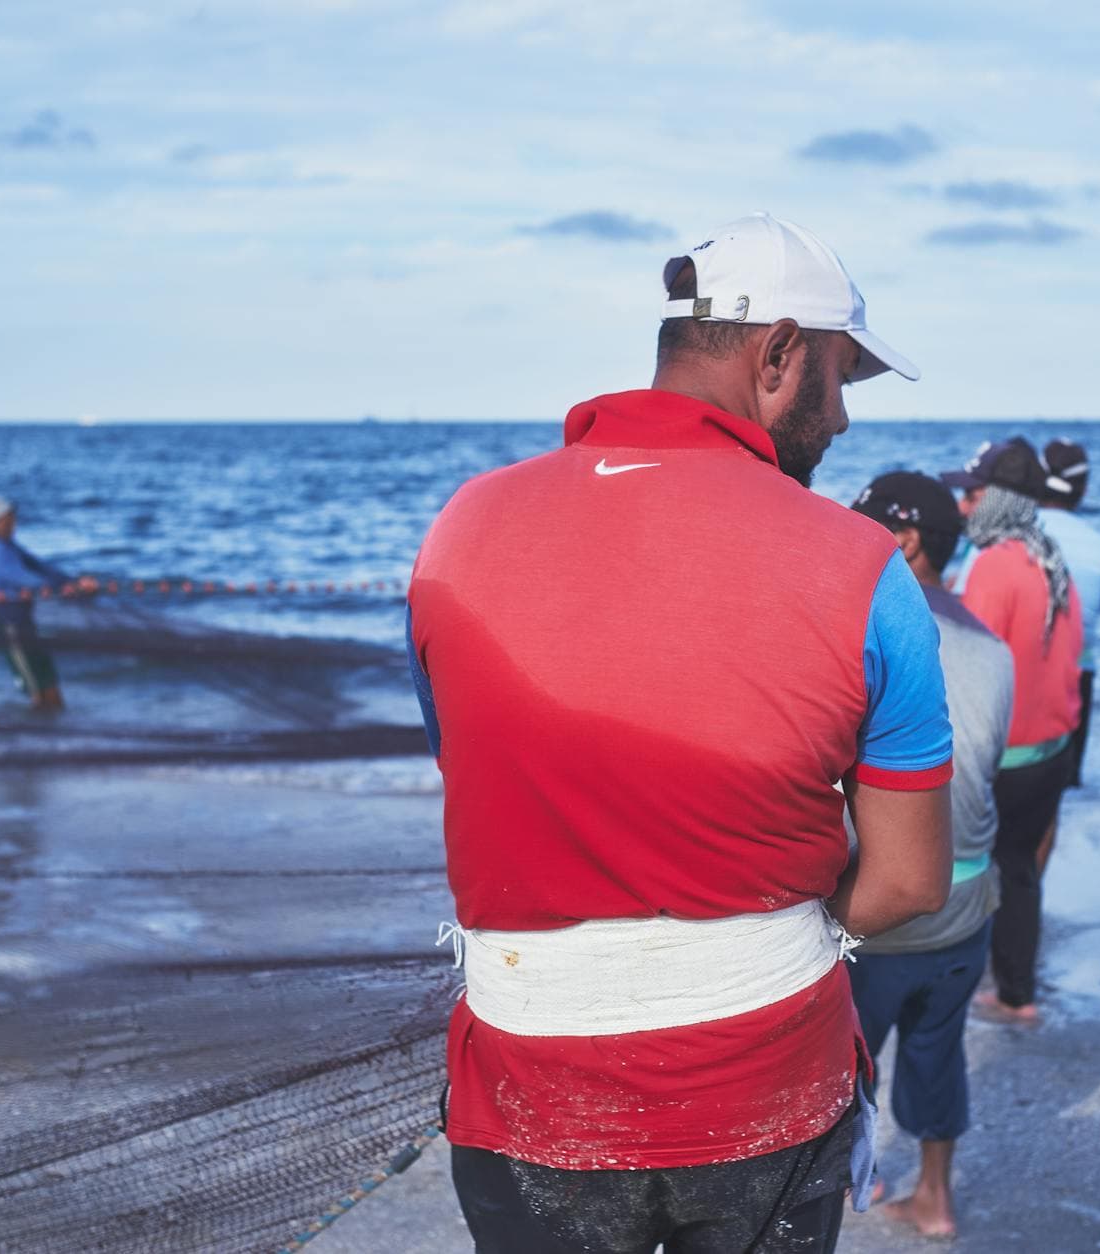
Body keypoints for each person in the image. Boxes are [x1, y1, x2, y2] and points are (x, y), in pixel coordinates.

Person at [406, 212, 954, 1254]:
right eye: (840, 377)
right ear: (779, 354)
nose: (841, 418)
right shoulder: (862, 570)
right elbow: (908, 884)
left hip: (528, 1082)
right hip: (760, 1083)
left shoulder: (460, 528)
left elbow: (484, 772)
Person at [846, 471, 1013, 1241]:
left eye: (864, 527)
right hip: (970, 904)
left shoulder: (868, 626)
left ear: (903, 541)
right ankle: (937, 1198)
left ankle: (856, 1178)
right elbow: (984, 771)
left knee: (847, 1064)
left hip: (882, 909)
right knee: (938, 1054)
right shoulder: (995, 646)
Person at [941, 438, 1083, 1023]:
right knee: (1021, 869)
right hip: (1052, 748)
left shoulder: (992, 564)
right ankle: (1017, 994)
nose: (964, 507)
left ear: (998, 498)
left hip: (1004, 755)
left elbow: (968, 666)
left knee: (967, 869)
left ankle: (948, 983)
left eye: (973, 494)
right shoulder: (1050, 556)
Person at [1037, 438, 1100, 790]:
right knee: (1060, 785)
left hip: (1020, 667)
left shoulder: (1006, 533)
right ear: (1082, 488)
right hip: (1078, 674)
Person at [0, 495, 92, 709]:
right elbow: (24, 579)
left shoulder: (8, 546)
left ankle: (56, 733)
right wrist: (67, 589)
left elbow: (40, 567)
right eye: (8, 519)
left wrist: (72, 581)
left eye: (12, 518)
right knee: (36, 687)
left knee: (49, 681)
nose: (13, 523)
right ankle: (34, 736)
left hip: (22, 622)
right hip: (6, 625)